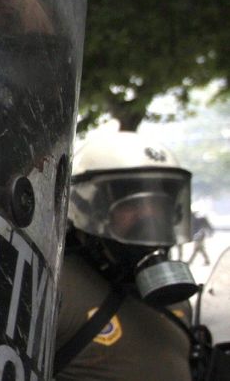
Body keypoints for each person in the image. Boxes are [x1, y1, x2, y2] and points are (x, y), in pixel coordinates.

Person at [55, 131, 198, 380]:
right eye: (131, 202)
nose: (150, 215)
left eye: (161, 203)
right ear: (88, 208)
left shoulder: (174, 297)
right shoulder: (54, 287)